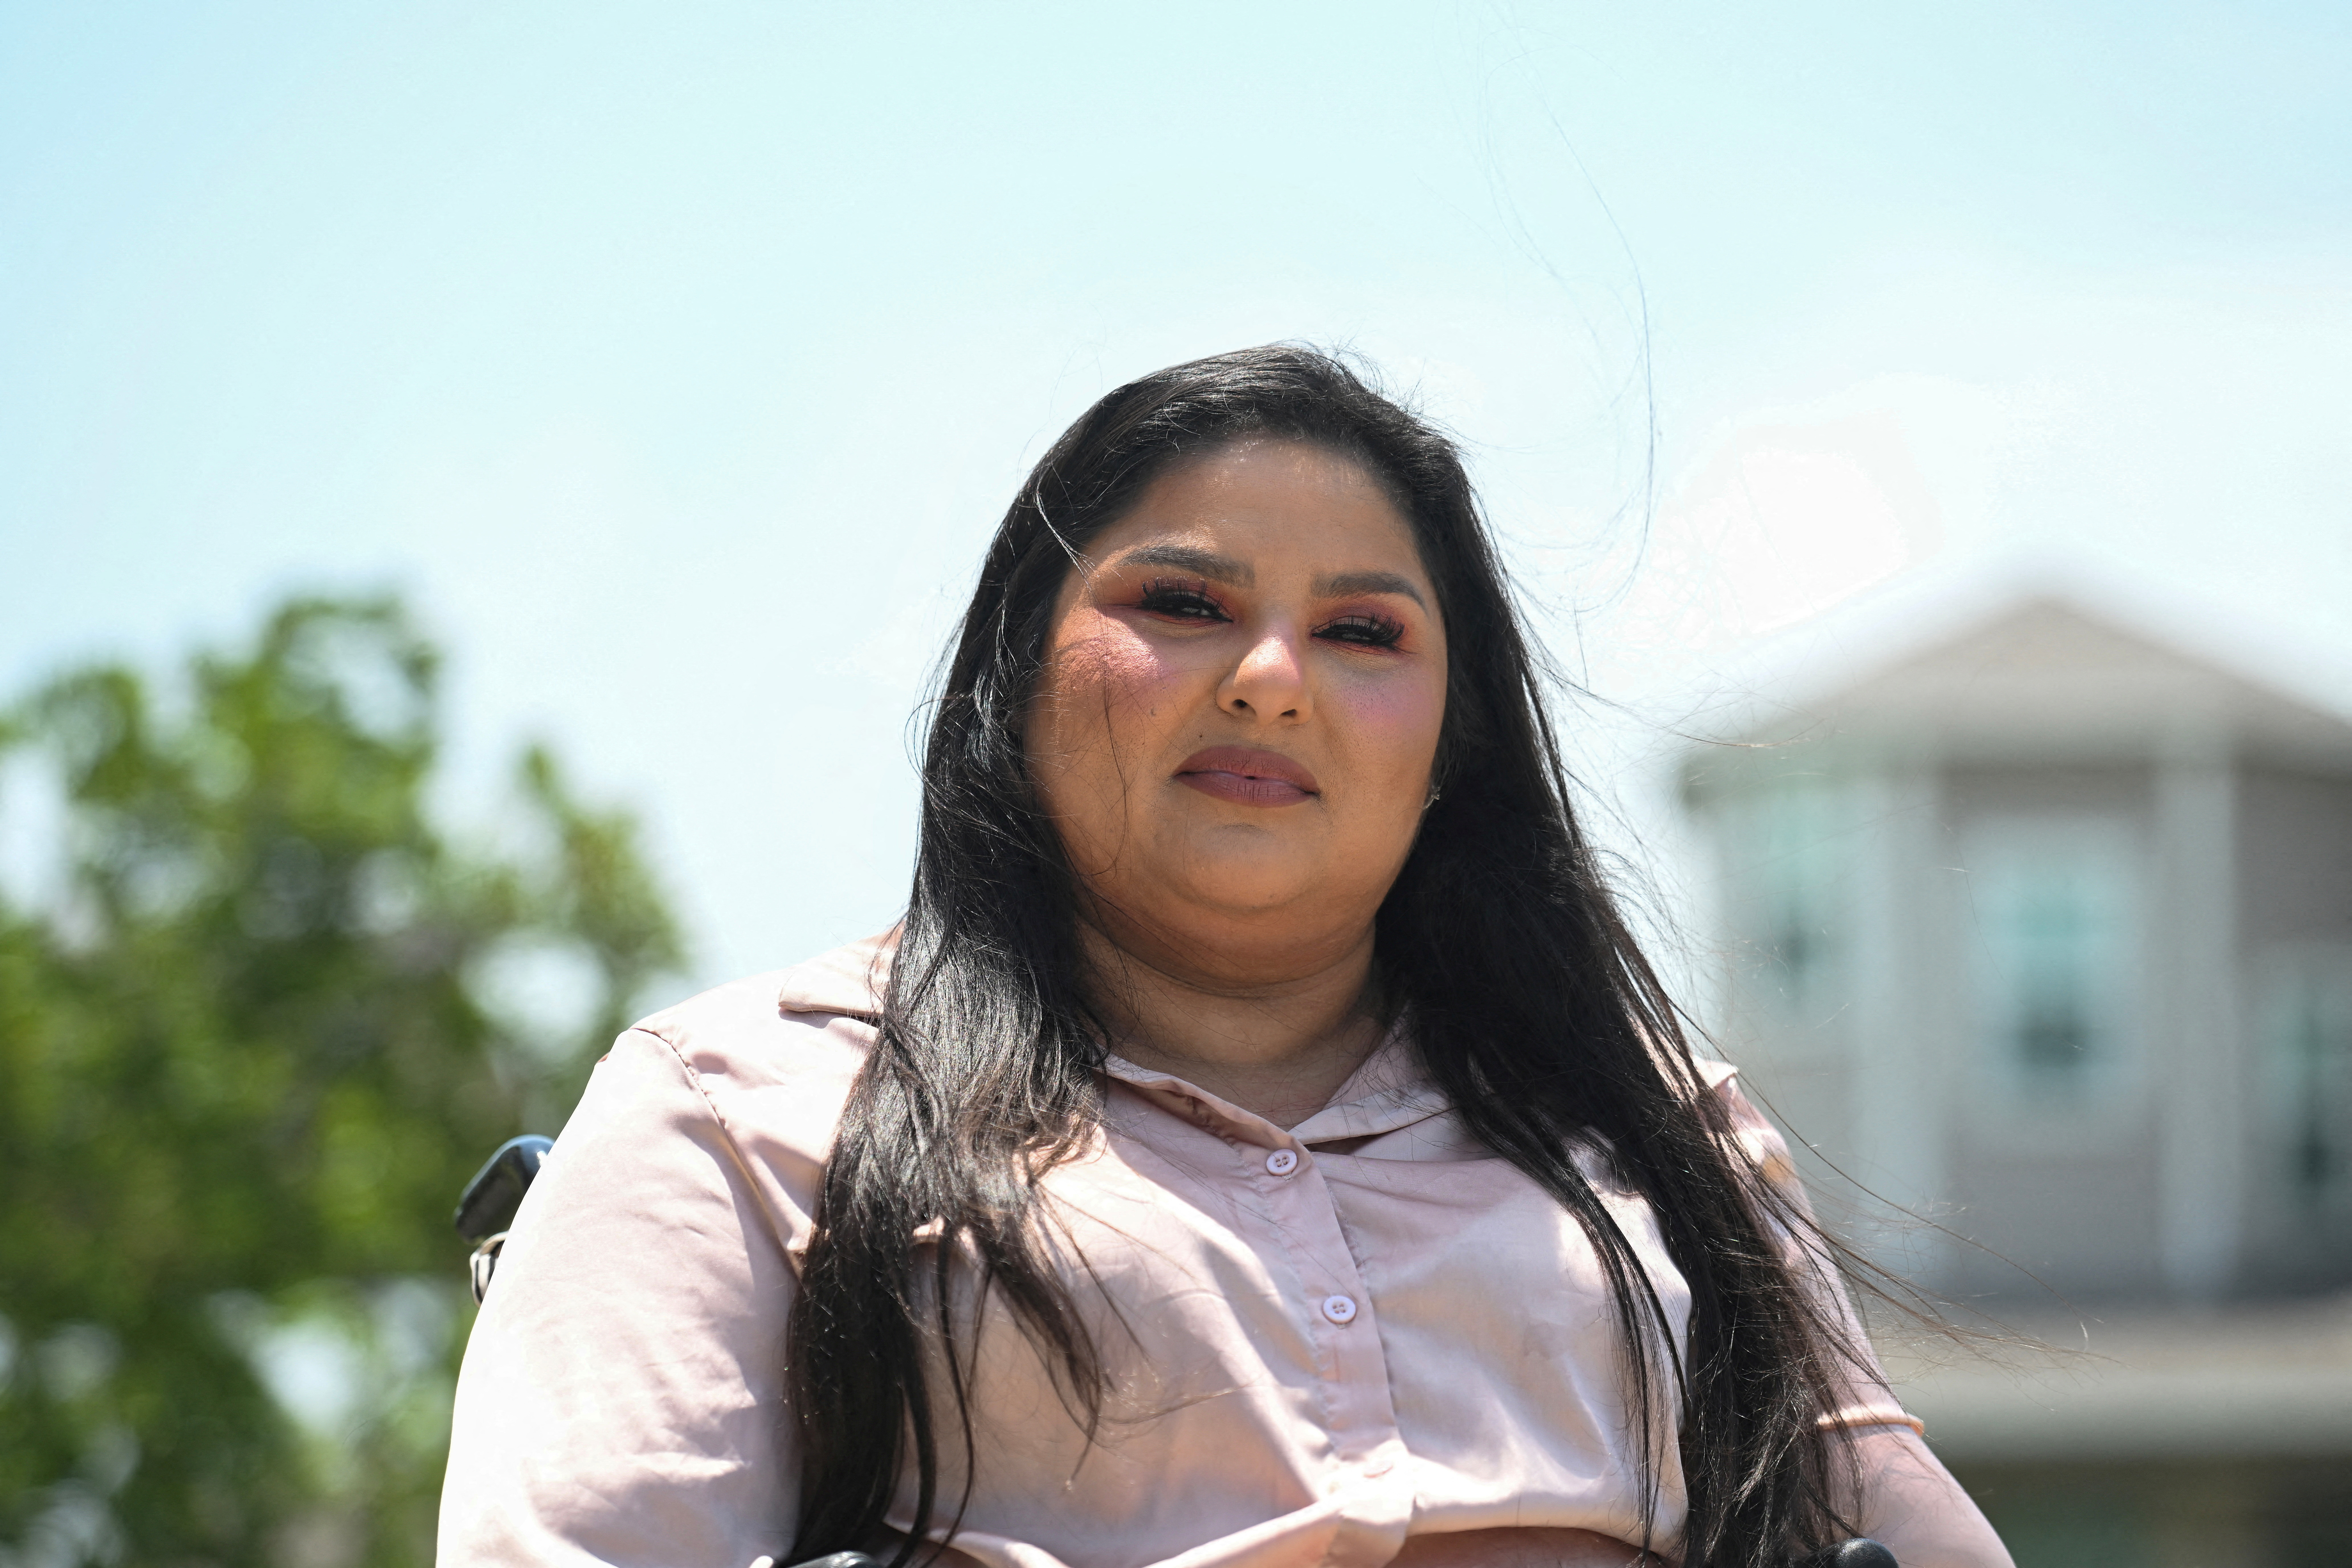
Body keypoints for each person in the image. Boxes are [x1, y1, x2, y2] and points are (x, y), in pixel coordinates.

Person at [436, 347, 2012, 1568]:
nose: (1269, 681)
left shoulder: (1664, 1141)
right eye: (1183, 604)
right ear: (1014, 684)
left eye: (1363, 631)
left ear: (1456, 746)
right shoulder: (730, 1119)